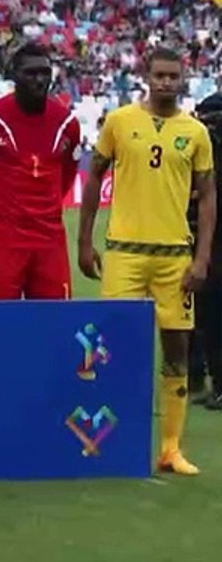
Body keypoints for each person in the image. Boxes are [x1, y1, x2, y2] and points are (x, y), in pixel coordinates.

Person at [78, 47, 216, 476]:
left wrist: (203, 257)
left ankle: (170, 448)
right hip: (124, 252)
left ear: (184, 78)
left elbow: (208, 194)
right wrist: (85, 240)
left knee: (177, 346)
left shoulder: (194, 132)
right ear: (146, 75)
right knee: (110, 348)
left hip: (175, 256)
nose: (166, 83)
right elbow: (95, 174)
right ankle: (103, 441)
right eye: (159, 75)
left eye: (174, 76)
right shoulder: (120, 122)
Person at [0, 42, 81, 299]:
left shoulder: (67, 123)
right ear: (14, 76)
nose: (39, 80)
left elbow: (67, 176)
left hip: (50, 244)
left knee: (55, 326)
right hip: (3, 244)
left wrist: (45, 212)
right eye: (30, 73)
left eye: (45, 73)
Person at [188, 93, 222, 409]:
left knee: (212, 317)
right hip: (206, 243)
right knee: (206, 318)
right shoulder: (204, 153)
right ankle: (214, 382)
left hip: (212, 244)